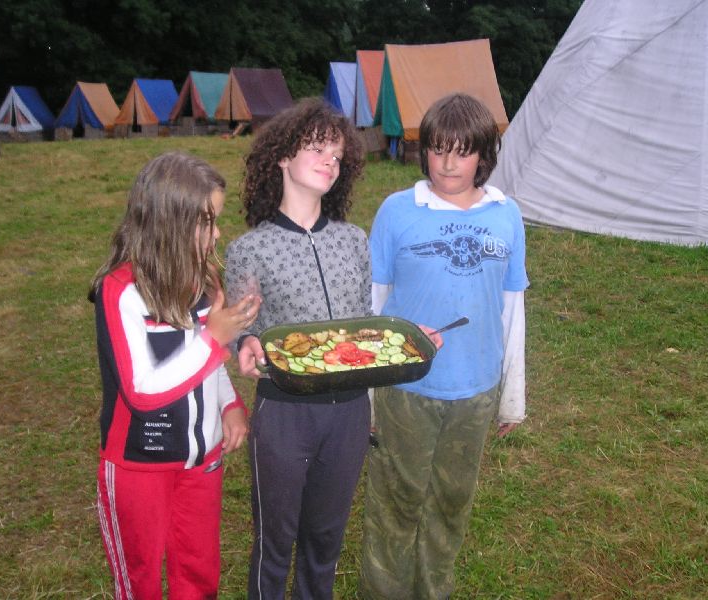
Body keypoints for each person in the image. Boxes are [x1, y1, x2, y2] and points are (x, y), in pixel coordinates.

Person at [359, 93, 530, 600]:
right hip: (405, 388)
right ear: (424, 151)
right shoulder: (397, 211)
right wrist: (368, 394)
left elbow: (512, 309)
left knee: (451, 503)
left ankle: (434, 590)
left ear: (484, 155)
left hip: (475, 391)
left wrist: (511, 396)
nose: (448, 164)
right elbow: (373, 303)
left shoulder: (506, 215)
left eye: (462, 151)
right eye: (437, 149)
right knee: (396, 501)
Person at [90, 151, 262, 600]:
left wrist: (228, 403)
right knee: (140, 578)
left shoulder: (205, 281)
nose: (218, 233)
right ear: (169, 221)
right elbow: (142, 391)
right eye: (207, 222)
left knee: (199, 572)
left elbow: (208, 364)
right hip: (139, 466)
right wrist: (213, 338)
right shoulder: (122, 292)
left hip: (201, 460)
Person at [223, 98, 370, 600]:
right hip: (285, 413)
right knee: (275, 542)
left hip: (349, 412)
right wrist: (244, 342)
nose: (330, 160)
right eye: (317, 148)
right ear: (284, 156)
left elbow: (365, 325)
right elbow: (240, 327)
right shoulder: (250, 249)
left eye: (337, 154)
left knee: (325, 541)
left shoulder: (354, 241)